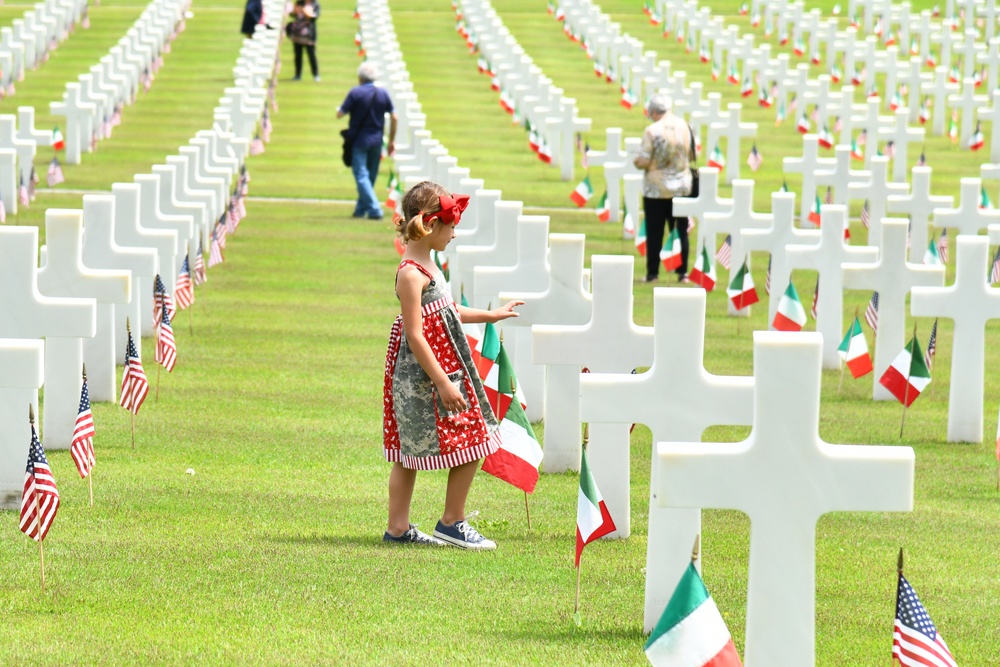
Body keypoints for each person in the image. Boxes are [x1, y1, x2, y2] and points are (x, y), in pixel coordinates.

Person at [382, 181, 523, 549]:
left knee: (471, 436)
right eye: (451, 225)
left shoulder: (430, 262)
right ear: (430, 225)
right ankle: (446, 522)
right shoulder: (411, 273)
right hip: (425, 377)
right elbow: (415, 333)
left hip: (445, 367)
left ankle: (429, 524)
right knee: (420, 448)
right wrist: (443, 383)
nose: (456, 233)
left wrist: (489, 315)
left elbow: (447, 311)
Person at [633, 93, 696, 283]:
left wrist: (636, 161)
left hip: (656, 189)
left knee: (655, 231)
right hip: (682, 187)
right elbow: (692, 156)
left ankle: (653, 273)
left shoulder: (652, 131)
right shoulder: (685, 126)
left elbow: (644, 160)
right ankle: (682, 273)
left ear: (653, 112)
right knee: (680, 230)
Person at [337, 62, 397, 220]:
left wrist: (339, 110)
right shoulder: (383, 93)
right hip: (377, 140)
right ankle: (360, 210)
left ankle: (374, 210)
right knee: (369, 176)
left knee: (361, 175)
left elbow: (340, 113)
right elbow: (394, 116)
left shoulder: (355, 93)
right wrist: (391, 141)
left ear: (360, 77)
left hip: (359, 140)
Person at [288, 0, 320, 81]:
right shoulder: (299, 3)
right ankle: (298, 75)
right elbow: (293, 15)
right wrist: (292, 10)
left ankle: (316, 74)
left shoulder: (315, 4)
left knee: (311, 55)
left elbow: (314, 17)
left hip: (309, 34)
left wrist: (304, 11)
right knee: (298, 56)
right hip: (298, 33)